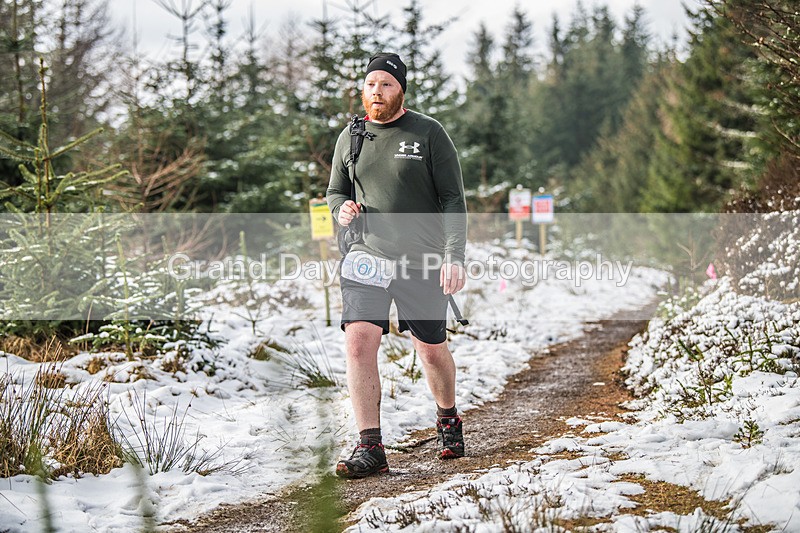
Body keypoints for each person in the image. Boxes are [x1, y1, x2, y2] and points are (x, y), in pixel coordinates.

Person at [326, 53, 468, 479]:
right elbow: (335, 191)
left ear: (400, 90)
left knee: (429, 348)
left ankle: (447, 417)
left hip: (420, 259)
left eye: (386, 84)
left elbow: (452, 199)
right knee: (359, 341)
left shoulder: (428, 133)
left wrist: (453, 255)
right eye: (370, 83)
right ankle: (370, 446)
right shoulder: (351, 137)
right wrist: (342, 209)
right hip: (365, 256)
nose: (376, 92)